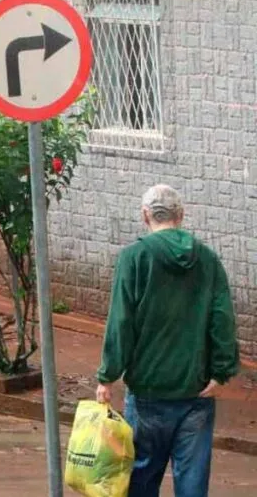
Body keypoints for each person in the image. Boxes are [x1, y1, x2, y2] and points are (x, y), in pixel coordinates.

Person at [96, 184, 240, 497]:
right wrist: (222, 371)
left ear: (145, 215)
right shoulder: (209, 260)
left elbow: (121, 322)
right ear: (181, 215)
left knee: (142, 478)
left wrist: (107, 376)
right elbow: (223, 319)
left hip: (148, 392)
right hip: (196, 393)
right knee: (192, 482)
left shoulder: (133, 258)